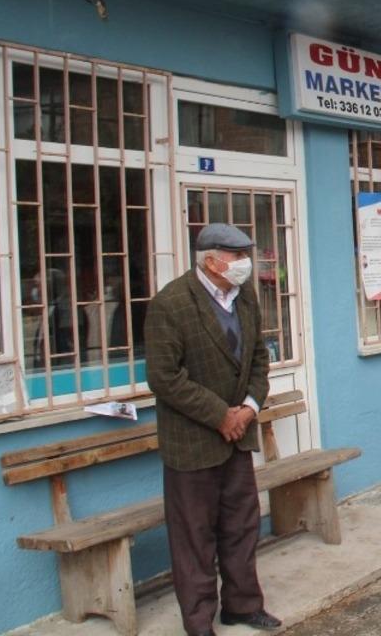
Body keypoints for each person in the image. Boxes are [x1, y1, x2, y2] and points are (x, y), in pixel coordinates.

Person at [146, 223, 281, 636]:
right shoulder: (171, 303)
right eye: (237, 256)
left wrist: (248, 408)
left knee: (242, 525)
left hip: (237, 437)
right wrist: (220, 414)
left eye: (245, 255)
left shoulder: (246, 299)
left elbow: (259, 358)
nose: (245, 264)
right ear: (210, 260)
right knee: (194, 538)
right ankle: (199, 622)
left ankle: (242, 606)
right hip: (192, 443)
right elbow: (164, 377)